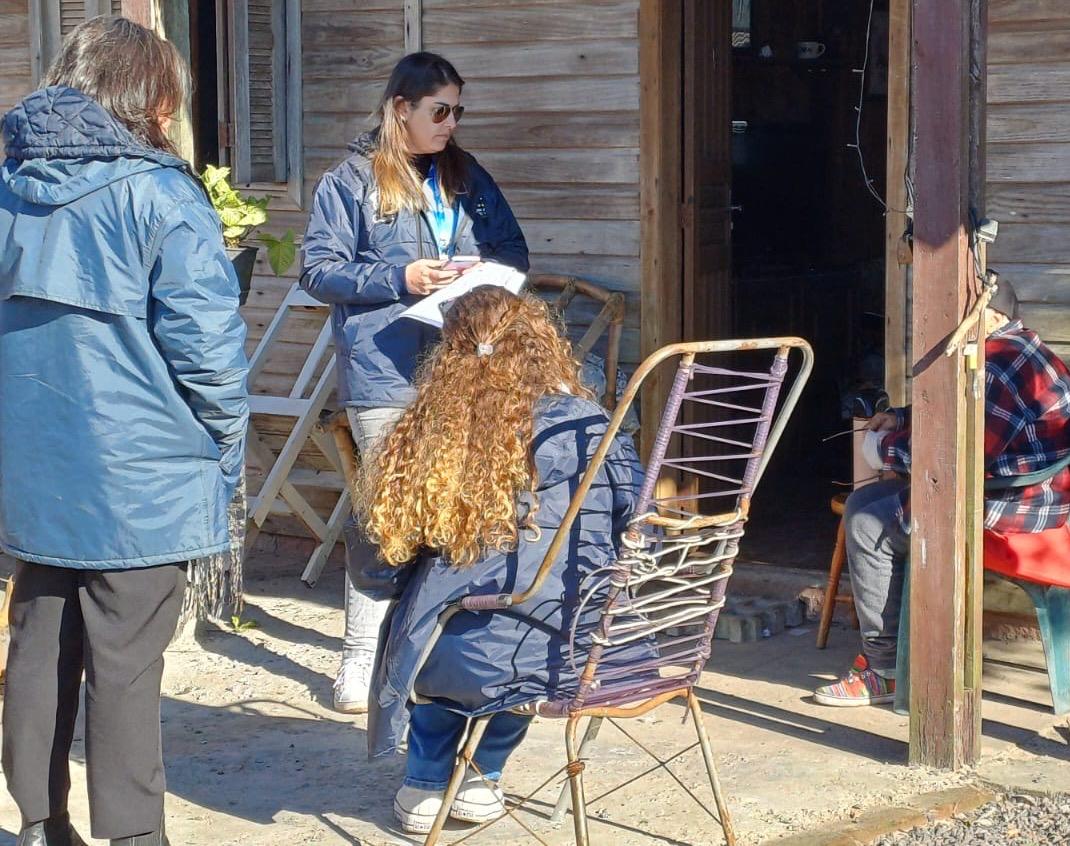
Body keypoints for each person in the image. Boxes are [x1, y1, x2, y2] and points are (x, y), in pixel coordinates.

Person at [0, 17, 249, 845]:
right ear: (153, 94)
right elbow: (209, 354)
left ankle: (38, 825)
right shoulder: (163, 194)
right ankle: (135, 837)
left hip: (33, 461)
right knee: (127, 664)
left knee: (38, 645)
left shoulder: (7, 184)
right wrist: (221, 452)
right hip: (143, 467)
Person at [350, 287, 642, 834]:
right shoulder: (589, 425)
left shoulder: (429, 431)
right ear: (543, 345)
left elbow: (375, 559)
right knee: (521, 647)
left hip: (453, 656)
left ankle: (425, 782)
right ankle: (484, 774)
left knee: (434, 634)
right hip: (571, 646)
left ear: (450, 354)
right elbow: (635, 512)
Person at [300, 52, 529, 714]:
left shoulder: (466, 174)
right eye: (440, 111)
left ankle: (431, 650)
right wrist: (400, 279)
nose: (452, 123)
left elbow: (513, 249)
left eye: (459, 110)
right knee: (388, 513)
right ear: (401, 108)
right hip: (383, 369)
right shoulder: (349, 181)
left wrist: (479, 275)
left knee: (453, 509)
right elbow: (317, 270)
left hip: (461, 368)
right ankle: (361, 653)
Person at [814, 280, 1070, 707]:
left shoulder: (997, 367)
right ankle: (890, 653)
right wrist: (899, 418)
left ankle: (885, 670)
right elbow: (954, 412)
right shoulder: (1026, 351)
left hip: (1011, 508)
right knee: (863, 503)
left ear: (992, 317)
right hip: (1038, 499)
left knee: (864, 524)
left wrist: (883, 449)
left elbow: (955, 455)